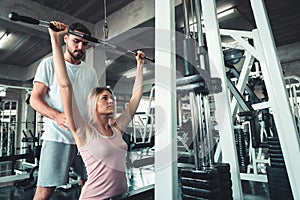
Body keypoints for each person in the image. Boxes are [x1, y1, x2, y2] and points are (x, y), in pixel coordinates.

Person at [49, 21, 145, 199]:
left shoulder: (116, 129)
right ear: (94, 104)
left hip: (120, 196)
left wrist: (139, 65)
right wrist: (56, 40)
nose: (111, 102)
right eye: (105, 98)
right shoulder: (84, 131)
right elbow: (65, 86)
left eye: (112, 98)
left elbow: (135, 98)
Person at [30, 22, 99, 199]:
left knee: (91, 184)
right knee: (45, 190)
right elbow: (34, 100)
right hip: (57, 137)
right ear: (66, 38)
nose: (80, 47)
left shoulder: (90, 72)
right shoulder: (48, 64)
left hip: (84, 138)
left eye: (84, 44)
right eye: (76, 41)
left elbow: (92, 105)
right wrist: (57, 116)